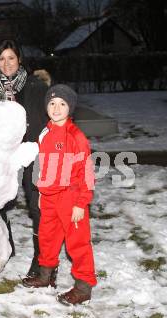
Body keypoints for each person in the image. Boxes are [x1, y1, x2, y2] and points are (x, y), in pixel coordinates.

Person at [0, 39, 50, 271]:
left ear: (19, 59)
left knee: (37, 204)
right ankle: (4, 246)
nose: (6, 63)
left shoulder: (35, 85)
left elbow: (49, 116)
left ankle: (42, 259)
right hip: (1, 154)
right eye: (1, 58)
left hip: (31, 150)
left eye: (11, 57)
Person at [21, 84, 97, 306]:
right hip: (50, 197)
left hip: (71, 198)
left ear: (70, 108)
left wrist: (81, 203)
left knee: (77, 243)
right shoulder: (45, 132)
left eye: (62, 104)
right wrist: (42, 190)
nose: (56, 108)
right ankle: (46, 276)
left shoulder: (76, 136)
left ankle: (83, 287)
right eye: (52, 103)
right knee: (47, 237)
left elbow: (86, 172)